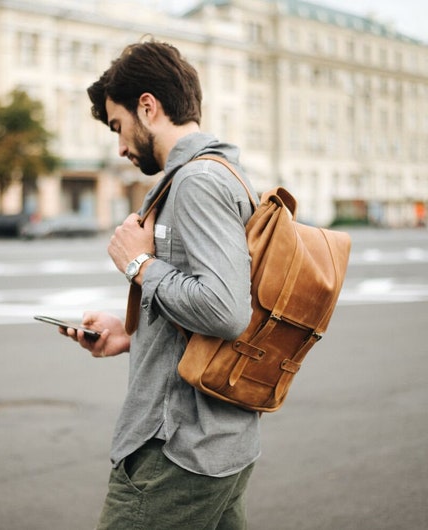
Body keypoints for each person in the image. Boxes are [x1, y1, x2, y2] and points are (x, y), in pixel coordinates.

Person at [66, 39, 260, 529]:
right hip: (213, 441)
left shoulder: (197, 182)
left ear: (147, 107)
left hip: (174, 452)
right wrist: (132, 335)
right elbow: (205, 303)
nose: (121, 147)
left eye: (119, 126)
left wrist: (138, 266)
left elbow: (225, 310)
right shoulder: (223, 174)